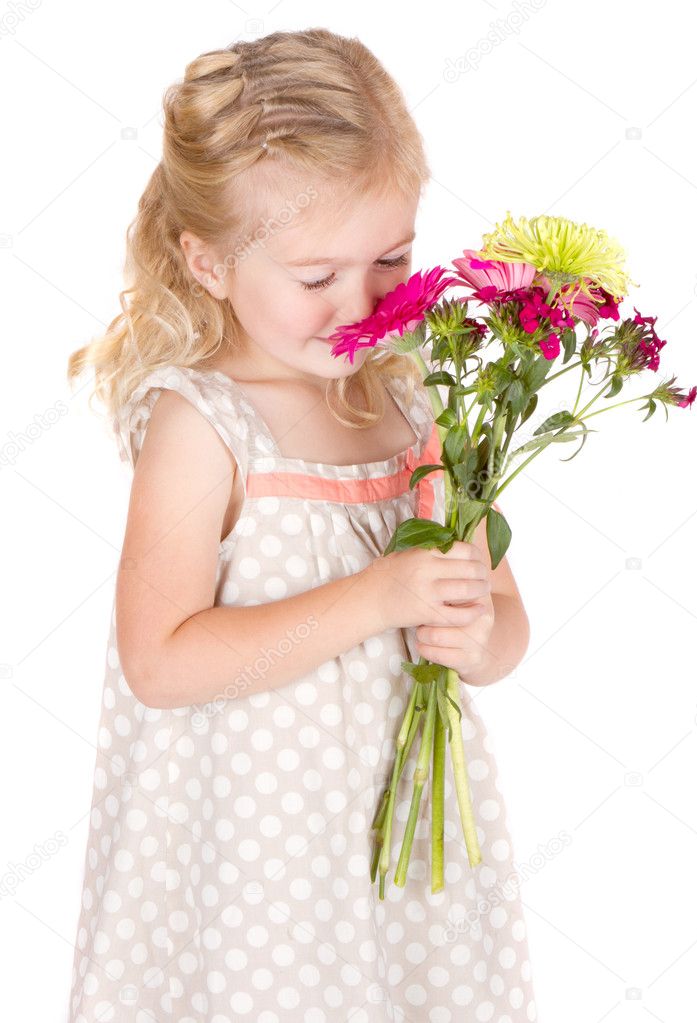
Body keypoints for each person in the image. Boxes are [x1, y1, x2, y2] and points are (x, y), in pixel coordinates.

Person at [65, 28, 538, 1023]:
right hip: (254, 860)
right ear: (208, 263)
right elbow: (161, 661)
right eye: (316, 277)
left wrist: (479, 632)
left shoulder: (415, 408)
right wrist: (378, 598)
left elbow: (498, 620)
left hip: (401, 844)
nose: (360, 304)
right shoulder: (205, 425)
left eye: (392, 260)